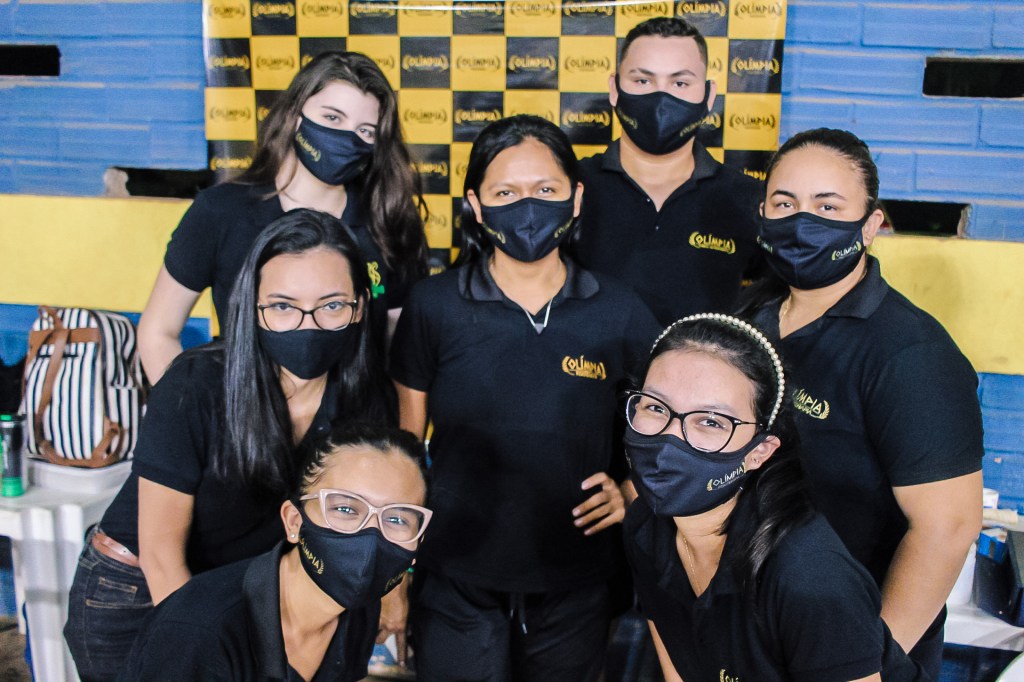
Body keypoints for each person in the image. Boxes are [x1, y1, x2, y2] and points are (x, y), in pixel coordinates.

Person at [64, 209, 395, 682]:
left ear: (360, 306)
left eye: (332, 305)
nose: (308, 324)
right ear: (252, 307)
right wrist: (206, 645)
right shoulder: (195, 385)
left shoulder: (365, 399)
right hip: (135, 591)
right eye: (283, 306)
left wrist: (391, 590)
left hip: (238, 592)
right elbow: (161, 554)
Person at [389, 115, 661, 681]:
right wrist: (393, 576)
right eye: (505, 193)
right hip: (455, 576)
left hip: (577, 579)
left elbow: (669, 424)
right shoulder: (434, 306)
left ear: (576, 198)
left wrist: (631, 491)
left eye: (545, 189)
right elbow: (403, 451)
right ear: (475, 204)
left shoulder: (620, 310)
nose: (528, 207)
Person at [741, 127, 983, 677]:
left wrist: (867, 658)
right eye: (785, 203)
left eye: (828, 206)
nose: (802, 221)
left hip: (847, 644)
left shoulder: (911, 353)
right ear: (762, 213)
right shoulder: (751, 316)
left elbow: (947, 529)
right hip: (754, 624)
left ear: (871, 225)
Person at [623, 313, 927, 681]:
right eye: (656, 407)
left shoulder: (808, 579)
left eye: (711, 422)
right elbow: (677, 661)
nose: (671, 437)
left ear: (759, 452)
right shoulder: (645, 526)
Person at [138, 50, 428, 382]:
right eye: (333, 118)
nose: (348, 138)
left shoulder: (388, 218)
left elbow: (400, 348)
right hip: (246, 411)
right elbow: (158, 332)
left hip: (356, 414)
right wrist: (189, 410)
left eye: (366, 131)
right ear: (294, 114)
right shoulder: (221, 211)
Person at [116, 422, 432, 682]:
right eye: (346, 509)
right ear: (294, 521)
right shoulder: (200, 634)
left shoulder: (360, 611)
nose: (371, 535)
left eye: (397, 519)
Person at [572, 17, 762, 326]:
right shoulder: (571, 187)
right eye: (642, 81)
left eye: (680, 83)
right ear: (614, 89)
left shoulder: (747, 198)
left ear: (708, 96)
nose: (661, 100)